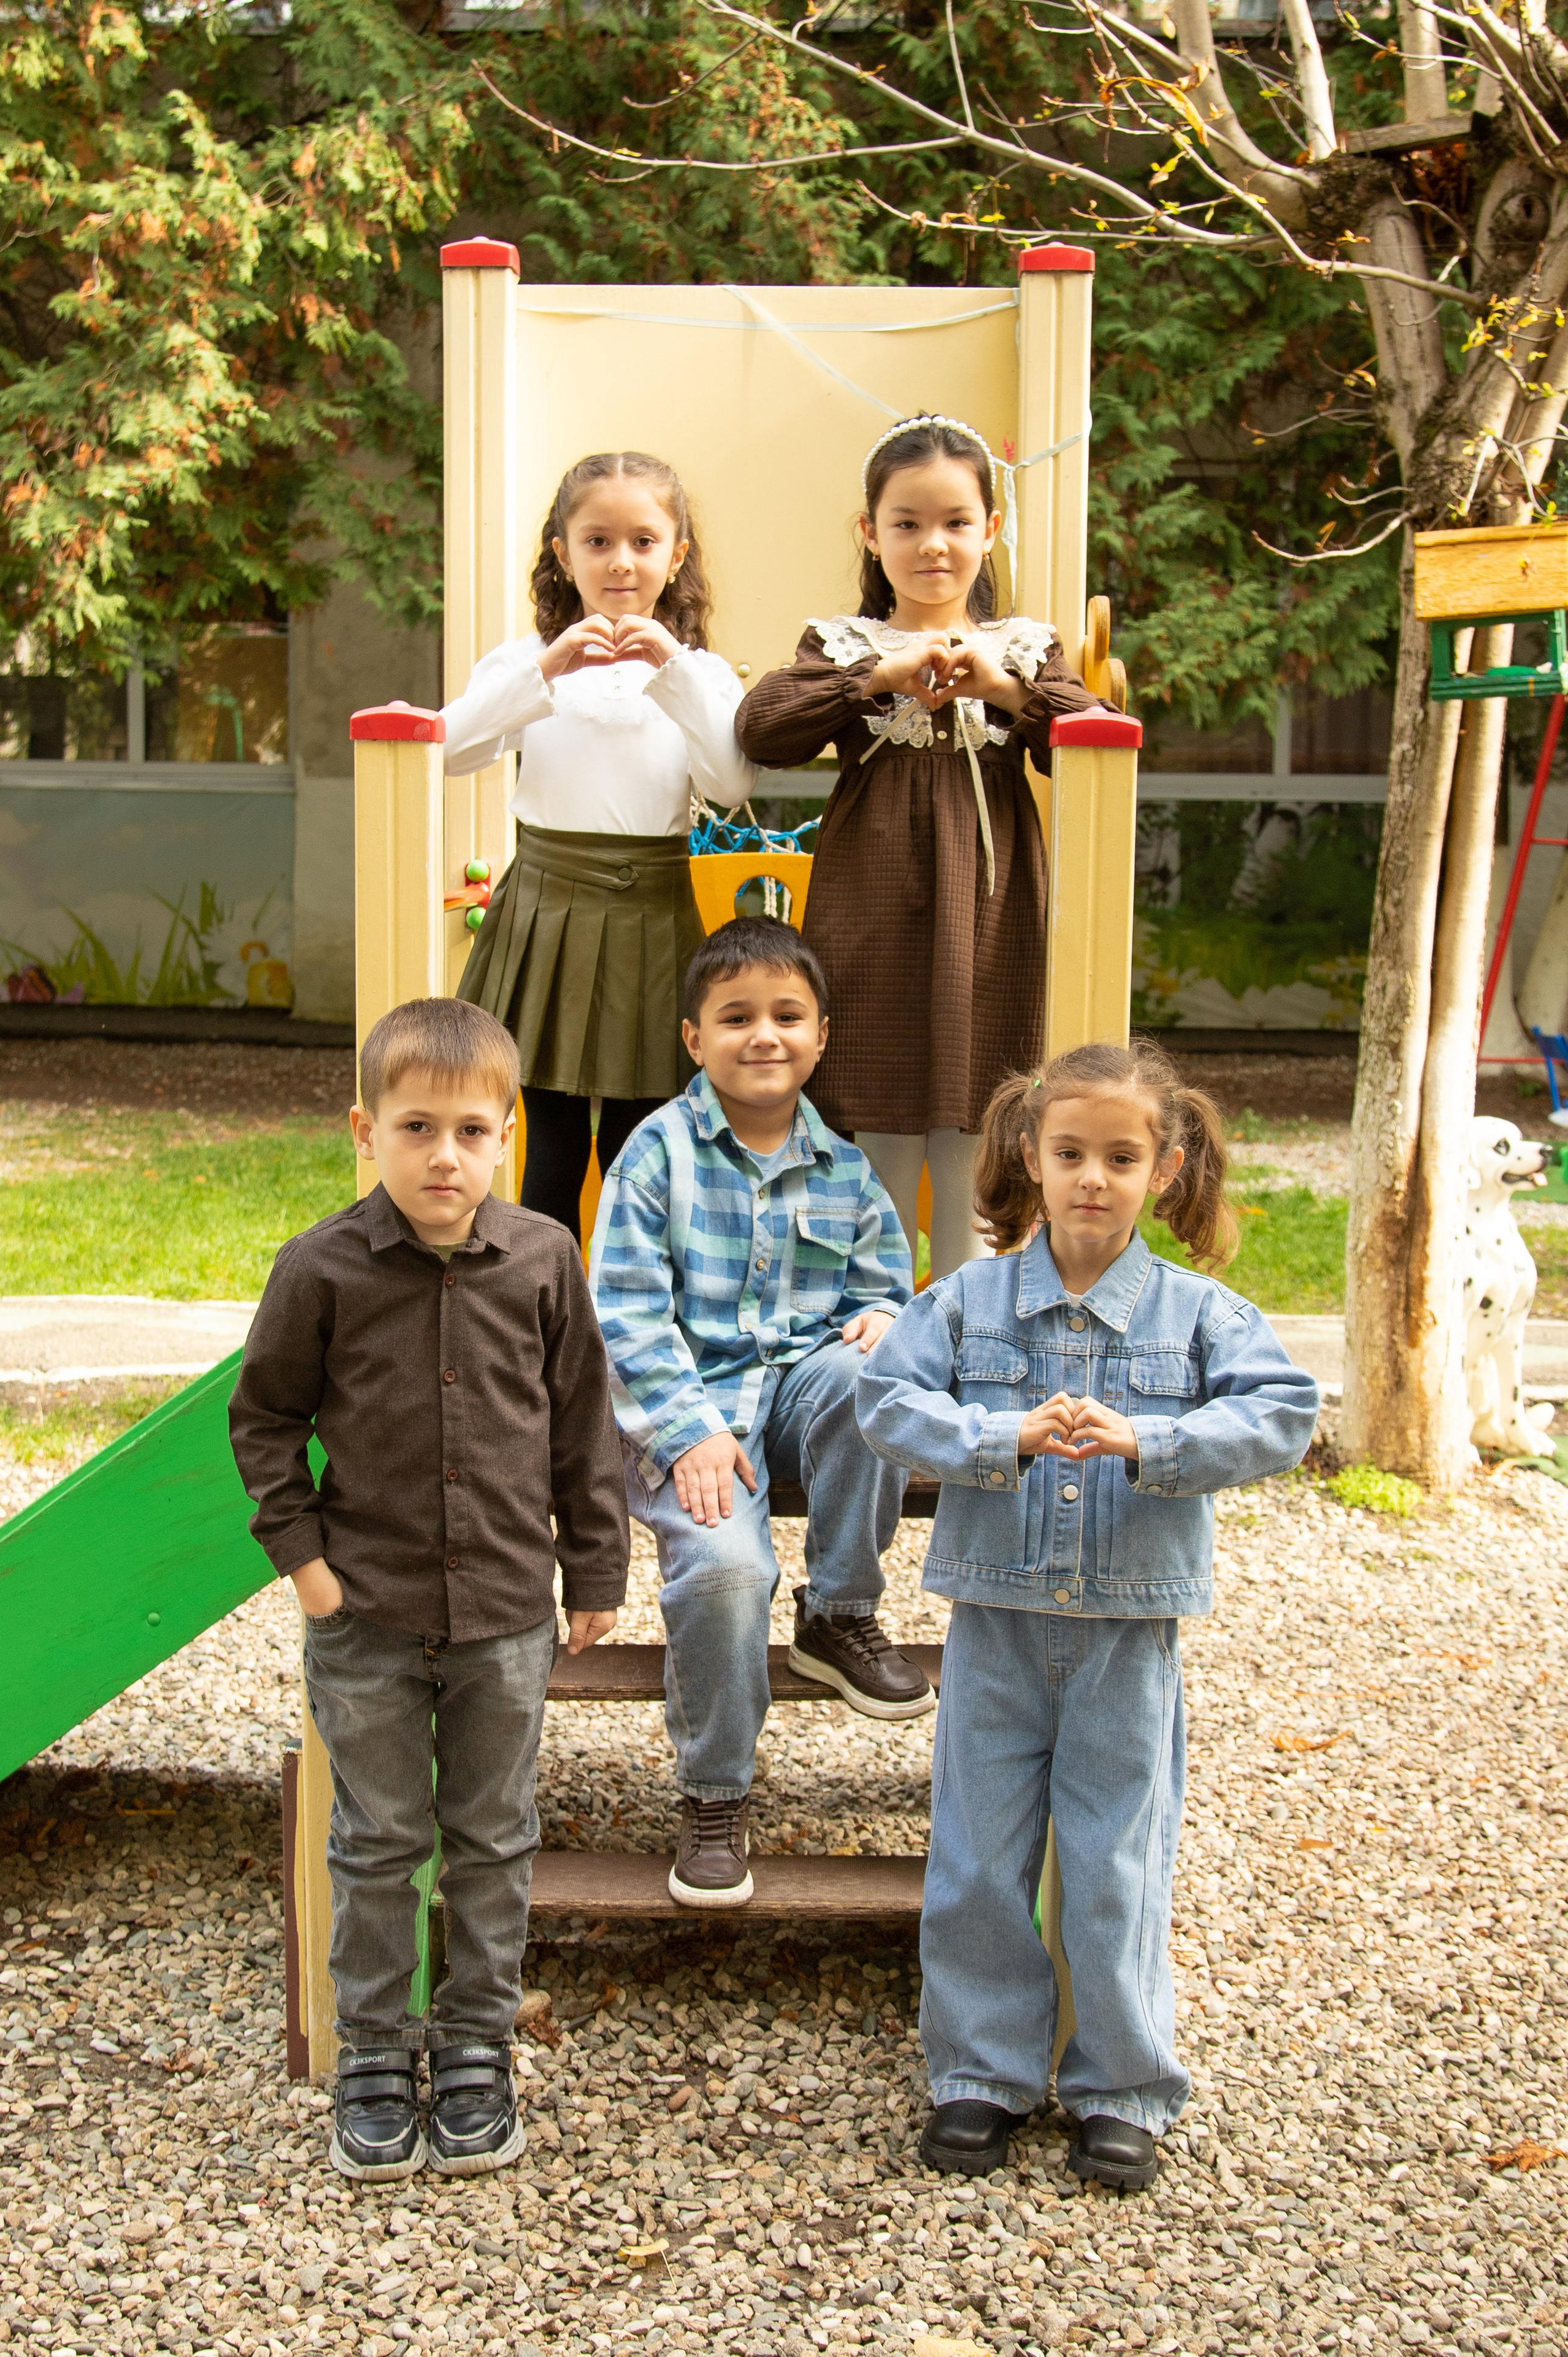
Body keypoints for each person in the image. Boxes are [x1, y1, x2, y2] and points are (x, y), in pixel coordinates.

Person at [856, 1040, 1320, 2184]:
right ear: (1032, 1154)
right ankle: (980, 2075)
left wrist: (1155, 1440)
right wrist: (996, 1435)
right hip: (996, 1625)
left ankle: (1122, 2086)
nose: (1093, 1179)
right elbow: (884, 1398)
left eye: (1121, 1157)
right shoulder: (968, 1300)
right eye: (1071, 1153)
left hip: (1128, 1637)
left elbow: (1284, 1411)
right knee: (977, 1857)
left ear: (1164, 1169)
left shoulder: (1198, 1313)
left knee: (1117, 1863)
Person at [228, 998, 629, 2181]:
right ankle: (374, 2048)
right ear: (367, 1131)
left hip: (505, 1611)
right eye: (415, 1128)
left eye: (469, 1130)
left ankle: (474, 2046)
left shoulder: (545, 1259)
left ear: (507, 1134)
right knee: (379, 1838)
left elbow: (581, 1422)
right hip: (366, 1614)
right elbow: (265, 1419)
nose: (443, 1155)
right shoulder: (320, 1269)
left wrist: (595, 1563)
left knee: (494, 1836)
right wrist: (305, 1563)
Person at [588, 915, 928, 1909]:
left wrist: (882, 1317)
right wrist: (688, 1430)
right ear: (695, 1038)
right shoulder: (655, 1157)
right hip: (690, 1408)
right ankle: (714, 1794)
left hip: (798, 1396)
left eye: (787, 1015)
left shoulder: (846, 1169)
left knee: (875, 1376)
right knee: (728, 1571)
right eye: (737, 1017)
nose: (764, 1034)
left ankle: (840, 1611)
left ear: (821, 1036)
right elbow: (625, 1313)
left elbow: (884, 1284)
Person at [735, 413, 1112, 1282]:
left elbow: (1099, 736)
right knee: (878, 1131)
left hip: (989, 920)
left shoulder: (1025, 647)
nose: (932, 544)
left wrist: (1004, 690)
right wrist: (879, 677)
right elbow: (762, 727)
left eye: (955, 522)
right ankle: (876, 1328)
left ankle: (969, 1327)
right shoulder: (844, 645)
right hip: (872, 916)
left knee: (982, 1126)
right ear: (871, 533)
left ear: (991, 529)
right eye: (906, 523)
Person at [444, 450, 755, 1242]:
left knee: (635, 1145)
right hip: (545, 911)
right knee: (548, 1146)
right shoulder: (525, 660)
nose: (621, 561)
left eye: (644, 542)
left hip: (653, 915)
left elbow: (729, 784)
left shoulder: (702, 672)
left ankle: (627, 1309)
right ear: (563, 552)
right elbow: (447, 748)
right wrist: (545, 670)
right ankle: (537, 1303)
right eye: (598, 541)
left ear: (676, 555)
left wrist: (673, 670)